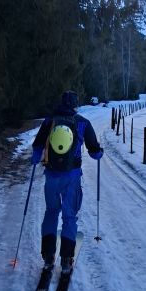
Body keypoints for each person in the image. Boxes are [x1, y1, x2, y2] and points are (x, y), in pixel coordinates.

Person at [31, 91, 103, 272]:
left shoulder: (49, 121)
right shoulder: (83, 122)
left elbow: (37, 146)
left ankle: (48, 256)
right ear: (76, 105)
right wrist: (99, 153)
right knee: (69, 216)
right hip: (72, 177)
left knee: (51, 212)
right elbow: (95, 152)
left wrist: (35, 158)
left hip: (51, 175)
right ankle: (66, 258)